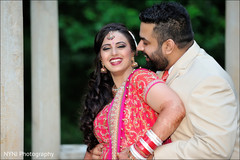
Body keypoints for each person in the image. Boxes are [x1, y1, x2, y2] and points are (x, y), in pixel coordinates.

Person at [118, 2, 239, 159]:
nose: (139, 47)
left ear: (168, 46)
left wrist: (152, 154)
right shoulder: (164, 70)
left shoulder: (210, 80)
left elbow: (215, 149)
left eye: (146, 42)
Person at [79, 23, 186, 159]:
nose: (114, 53)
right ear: (101, 58)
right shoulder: (104, 99)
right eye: (106, 48)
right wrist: (92, 153)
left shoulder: (140, 78)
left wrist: (139, 151)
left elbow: (175, 108)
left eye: (121, 46)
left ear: (133, 52)